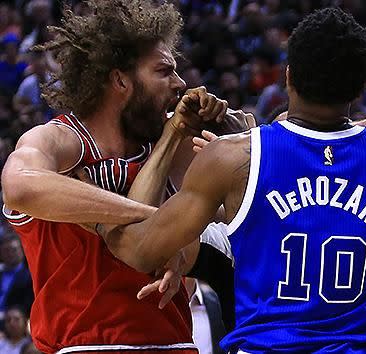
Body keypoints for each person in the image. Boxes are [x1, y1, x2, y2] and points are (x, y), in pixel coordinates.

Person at [97, 8, 366, 353]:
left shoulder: (235, 157)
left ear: (288, 76)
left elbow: (141, 251)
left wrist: (95, 212)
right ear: (363, 85)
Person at [0, 0, 243, 352]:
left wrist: (234, 137)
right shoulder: (63, 141)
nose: (179, 83)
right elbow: (19, 186)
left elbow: (232, 230)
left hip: (176, 343)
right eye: (163, 71)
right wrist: (154, 219)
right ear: (119, 80)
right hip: (85, 345)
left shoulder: (173, 148)